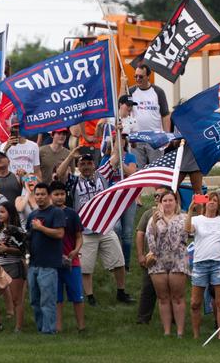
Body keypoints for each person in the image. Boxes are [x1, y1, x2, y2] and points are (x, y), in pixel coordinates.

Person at [56, 148, 135, 305]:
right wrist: (71, 156)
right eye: (82, 164)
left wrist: (118, 131)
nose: (86, 166)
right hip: (85, 230)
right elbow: (60, 174)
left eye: (89, 163)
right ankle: (90, 296)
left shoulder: (102, 174)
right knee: (86, 268)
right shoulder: (74, 181)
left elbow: (116, 157)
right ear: (78, 166)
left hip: (105, 228)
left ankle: (121, 292)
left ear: (94, 164)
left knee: (119, 262)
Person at [185, 191, 220, 339]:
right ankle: (196, 335)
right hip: (200, 263)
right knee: (195, 302)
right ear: (205, 203)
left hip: (218, 263)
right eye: (209, 200)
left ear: (218, 204)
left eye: (215, 201)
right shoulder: (197, 220)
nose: (212, 202)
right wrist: (190, 209)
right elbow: (187, 230)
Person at [146, 190, 189, 338]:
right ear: (160, 203)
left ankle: (180, 331)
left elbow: (177, 242)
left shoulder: (183, 218)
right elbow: (152, 244)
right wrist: (155, 224)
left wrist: (164, 220)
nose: (168, 203)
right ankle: (166, 331)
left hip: (178, 259)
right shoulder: (153, 220)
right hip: (158, 260)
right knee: (163, 298)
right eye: (165, 201)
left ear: (176, 202)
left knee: (178, 297)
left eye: (171, 200)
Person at [26, 183, 66, 334]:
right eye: (37, 194)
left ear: (48, 196)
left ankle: (49, 331)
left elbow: (60, 234)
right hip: (33, 263)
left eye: (43, 194)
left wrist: (41, 228)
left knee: (47, 300)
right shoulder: (32, 215)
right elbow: (29, 237)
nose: (40, 197)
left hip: (49, 264)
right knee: (34, 300)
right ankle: (40, 328)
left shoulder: (56, 213)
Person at [50, 181, 85, 332]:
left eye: (62, 194)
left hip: (72, 261)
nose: (59, 197)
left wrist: (76, 250)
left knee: (77, 295)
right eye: (56, 194)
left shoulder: (72, 214)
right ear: (51, 196)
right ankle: (58, 328)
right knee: (57, 298)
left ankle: (81, 326)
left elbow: (79, 236)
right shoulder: (47, 213)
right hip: (53, 262)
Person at [0, 201, 27, 333]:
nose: (0, 214)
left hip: (14, 266)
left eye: (3, 212)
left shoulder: (17, 230)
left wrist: (7, 249)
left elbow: (22, 250)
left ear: (10, 213)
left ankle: (18, 327)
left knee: (17, 299)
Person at [103, 132, 137, 270]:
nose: (121, 140)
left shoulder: (130, 156)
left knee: (127, 234)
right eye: (117, 138)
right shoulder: (105, 158)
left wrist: (120, 161)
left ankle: (126, 265)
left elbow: (132, 172)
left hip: (128, 197)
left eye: (123, 138)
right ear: (112, 142)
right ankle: (116, 263)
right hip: (112, 198)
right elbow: (103, 176)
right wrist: (113, 160)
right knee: (115, 229)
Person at [129, 63, 170, 165]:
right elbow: (121, 107)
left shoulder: (158, 92)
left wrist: (167, 135)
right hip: (137, 138)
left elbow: (165, 115)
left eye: (141, 76)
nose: (138, 79)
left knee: (156, 168)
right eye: (135, 76)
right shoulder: (130, 92)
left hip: (155, 138)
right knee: (138, 172)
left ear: (148, 77)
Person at [134, 189, 164, 325]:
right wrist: (140, 255)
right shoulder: (147, 214)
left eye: (161, 195)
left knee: (170, 291)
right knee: (148, 288)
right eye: (156, 195)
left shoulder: (178, 214)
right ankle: (143, 318)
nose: (157, 198)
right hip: (151, 258)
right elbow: (140, 234)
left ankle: (172, 319)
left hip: (170, 259)